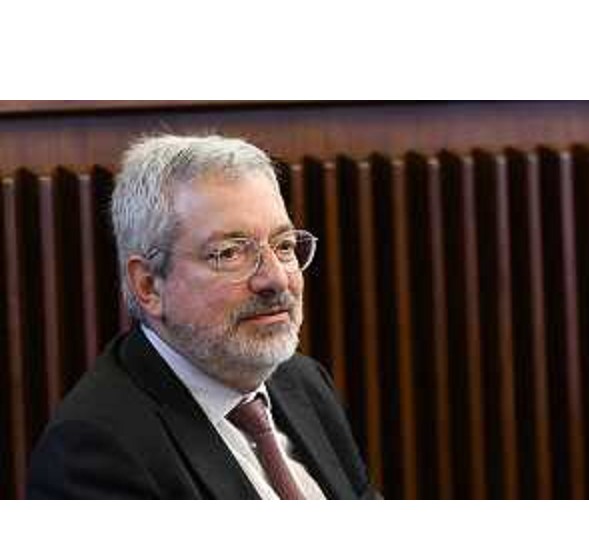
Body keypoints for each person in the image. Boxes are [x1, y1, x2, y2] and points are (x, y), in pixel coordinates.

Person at [27, 134, 378, 499]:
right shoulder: (95, 453)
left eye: (284, 246)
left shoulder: (303, 381)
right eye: (229, 253)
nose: (275, 279)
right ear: (149, 285)